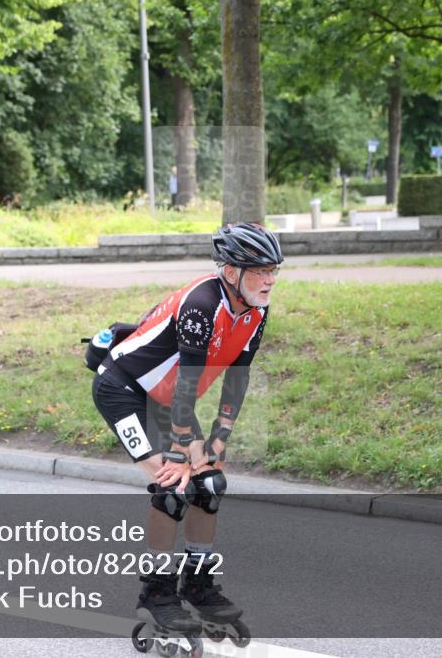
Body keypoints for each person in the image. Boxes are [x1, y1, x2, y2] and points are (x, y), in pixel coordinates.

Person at [91, 222, 282, 640]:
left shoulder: (257, 310)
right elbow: (186, 383)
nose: (270, 279)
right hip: (122, 389)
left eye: (274, 270)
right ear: (231, 271)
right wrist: (180, 453)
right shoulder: (201, 303)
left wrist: (219, 437)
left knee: (209, 485)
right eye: (260, 270)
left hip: (164, 399)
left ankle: (198, 583)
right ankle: (157, 590)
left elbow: (238, 377)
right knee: (173, 487)